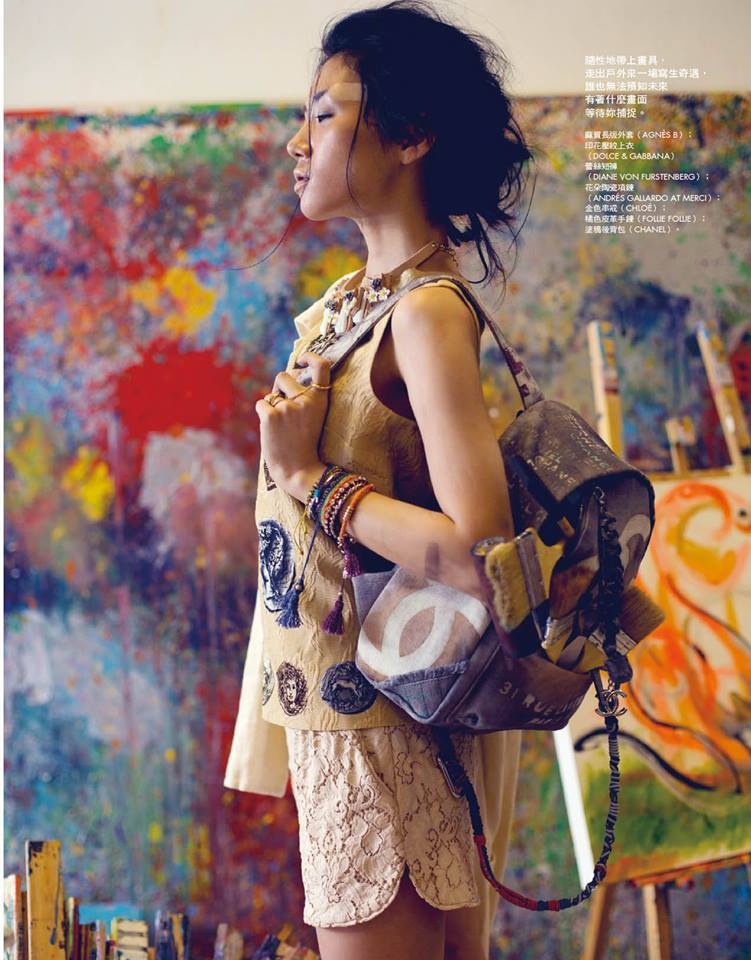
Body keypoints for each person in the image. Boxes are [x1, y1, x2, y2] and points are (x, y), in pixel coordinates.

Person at [225, 3, 536, 957]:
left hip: (391, 737)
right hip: (345, 726)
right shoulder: (350, 309)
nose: (298, 141)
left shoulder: (426, 313)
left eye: (324, 114)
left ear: (410, 135)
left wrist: (310, 476)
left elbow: (479, 555)